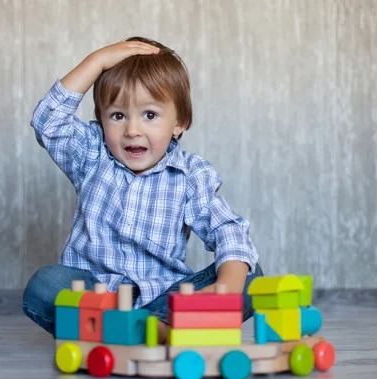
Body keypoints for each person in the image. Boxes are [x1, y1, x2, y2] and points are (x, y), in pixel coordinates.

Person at [22, 36, 264, 343]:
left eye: (150, 115)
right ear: (101, 121)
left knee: (250, 276)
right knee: (46, 284)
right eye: (118, 116)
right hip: (98, 298)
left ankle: (152, 328)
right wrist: (96, 61)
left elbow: (227, 229)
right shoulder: (91, 155)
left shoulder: (190, 175)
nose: (132, 130)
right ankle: (149, 333)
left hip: (165, 298)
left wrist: (226, 287)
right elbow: (48, 121)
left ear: (180, 123)